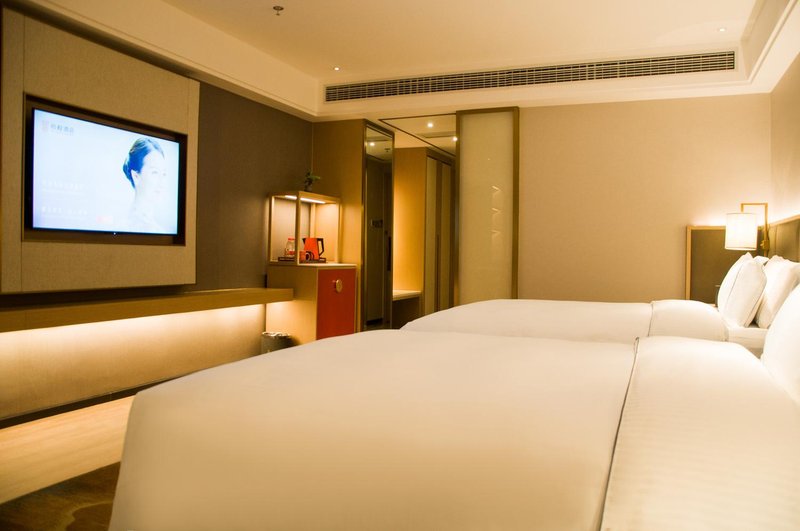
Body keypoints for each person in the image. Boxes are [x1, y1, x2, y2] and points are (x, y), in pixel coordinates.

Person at [121, 137, 167, 233]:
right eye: (154, 172)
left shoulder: (157, 228)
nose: (161, 182)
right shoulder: (126, 225)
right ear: (136, 176)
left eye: (163, 174)